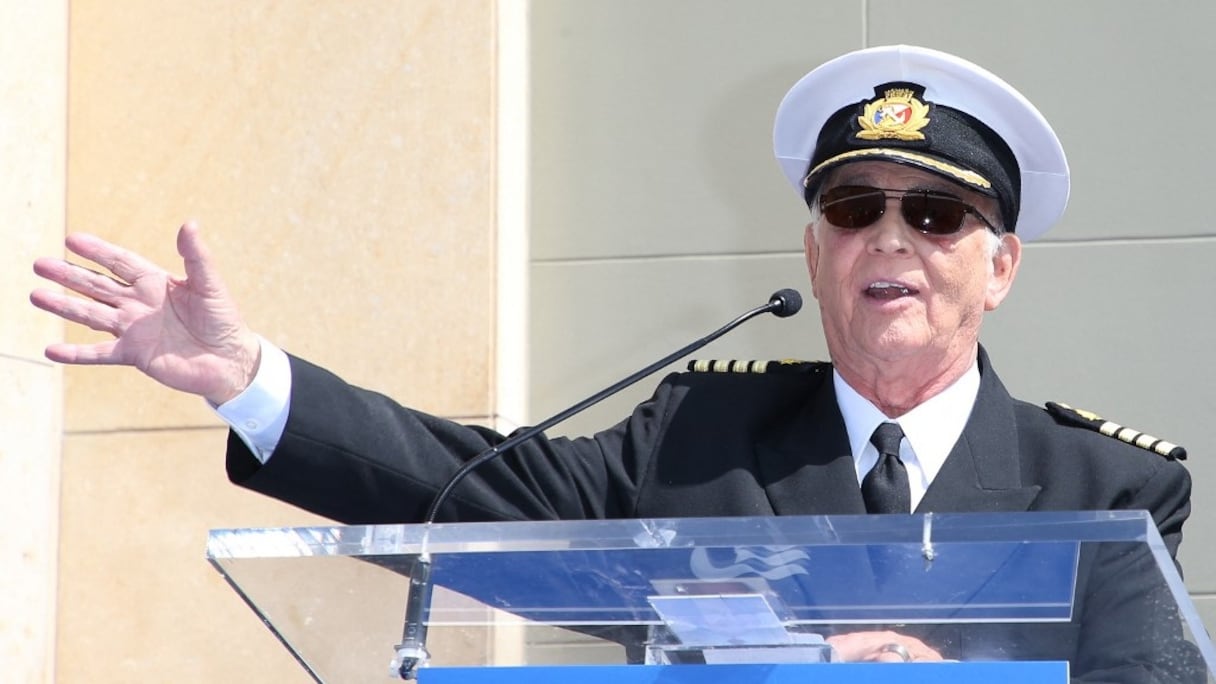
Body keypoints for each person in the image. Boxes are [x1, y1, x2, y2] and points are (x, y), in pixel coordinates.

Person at [31, 45, 1203, 680]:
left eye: (935, 219)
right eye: (855, 208)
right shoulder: (697, 441)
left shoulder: (1105, 491)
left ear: (999, 267)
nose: (888, 240)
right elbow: (465, 496)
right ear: (814, 247)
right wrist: (248, 377)